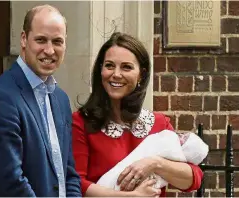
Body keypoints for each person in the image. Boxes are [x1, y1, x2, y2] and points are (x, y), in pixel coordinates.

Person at [72, 32, 203, 197]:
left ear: (141, 74)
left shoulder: (159, 124)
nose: (116, 74)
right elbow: (76, 184)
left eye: (126, 67)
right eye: (109, 65)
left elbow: (194, 179)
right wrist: (131, 197)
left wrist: (154, 163)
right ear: (100, 70)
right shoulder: (80, 122)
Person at [0, 5, 81, 197]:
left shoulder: (60, 99)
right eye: (41, 40)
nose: (49, 50)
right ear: (24, 39)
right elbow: (10, 183)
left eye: (57, 41)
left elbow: (69, 174)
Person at [97, 130, 209, 190]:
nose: (180, 136)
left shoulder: (160, 123)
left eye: (184, 139)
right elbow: (80, 182)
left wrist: (155, 163)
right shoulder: (83, 123)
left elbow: (196, 177)